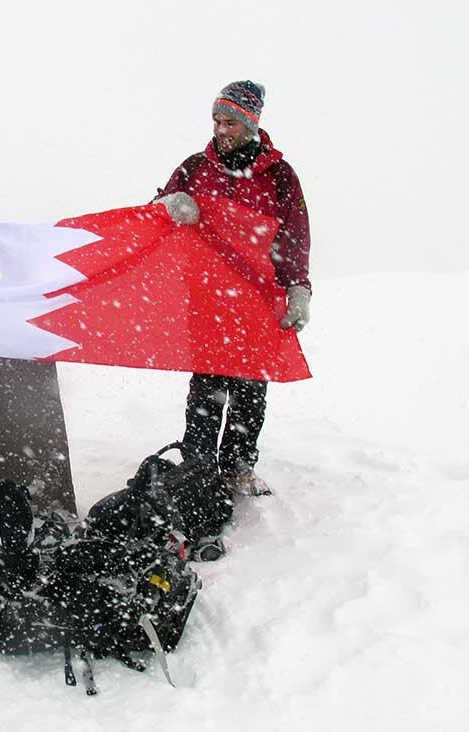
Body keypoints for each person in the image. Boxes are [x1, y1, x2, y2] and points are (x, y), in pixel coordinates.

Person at [153, 81, 311, 496]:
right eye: (217, 121)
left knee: (249, 388)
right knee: (206, 386)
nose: (222, 130)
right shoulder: (195, 167)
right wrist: (171, 206)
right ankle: (199, 466)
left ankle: (239, 468)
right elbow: (154, 213)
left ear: (251, 123)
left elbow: (294, 236)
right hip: (205, 297)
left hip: (257, 300)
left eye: (231, 123)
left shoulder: (279, 175)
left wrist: (299, 288)